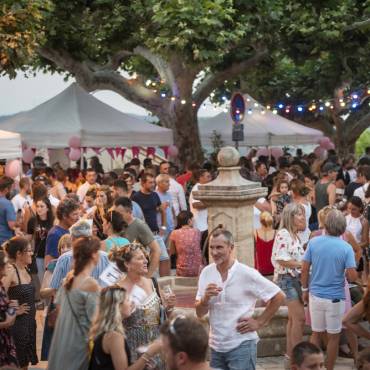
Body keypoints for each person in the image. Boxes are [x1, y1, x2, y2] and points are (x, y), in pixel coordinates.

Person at [195, 229, 285, 370]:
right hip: (216, 347)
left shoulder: (246, 273)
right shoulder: (207, 273)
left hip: (241, 345)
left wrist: (260, 322)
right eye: (212, 247)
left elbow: (278, 296)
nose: (214, 252)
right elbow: (199, 313)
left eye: (219, 247)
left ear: (231, 248)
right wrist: (205, 298)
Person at [301, 210, 358, 370]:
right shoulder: (346, 247)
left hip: (315, 295)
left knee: (316, 334)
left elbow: (305, 269)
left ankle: (310, 367)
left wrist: (305, 289)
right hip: (335, 298)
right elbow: (352, 277)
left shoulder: (313, 242)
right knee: (334, 337)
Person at [111, 243, 176, 369]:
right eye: (140, 258)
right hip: (133, 353)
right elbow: (111, 327)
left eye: (145, 257)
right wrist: (123, 315)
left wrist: (169, 307)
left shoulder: (153, 283)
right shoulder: (117, 290)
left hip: (158, 352)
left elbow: (164, 317)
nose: (146, 260)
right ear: (127, 264)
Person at [47, 236, 101, 370]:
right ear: (94, 255)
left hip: (62, 340)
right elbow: (96, 320)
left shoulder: (68, 279)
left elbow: (59, 311)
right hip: (78, 343)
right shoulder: (90, 284)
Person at [89, 285, 162, 370]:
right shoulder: (114, 336)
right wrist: (149, 353)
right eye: (127, 300)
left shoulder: (106, 331)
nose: (132, 303)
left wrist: (141, 363)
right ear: (118, 306)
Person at [271, 203, 307, 364]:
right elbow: (281, 258)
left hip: (292, 280)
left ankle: (290, 356)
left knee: (293, 319)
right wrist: (303, 265)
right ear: (290, 217)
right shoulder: (284, 234)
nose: (303, 217)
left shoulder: (294, 235)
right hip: (287, 280)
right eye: (299, 214)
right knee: (299, 319)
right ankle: (299, 359)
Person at [2, 237, 38, 369]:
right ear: (18, 254)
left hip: (29, 325)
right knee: (18, 364)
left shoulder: (25, 269)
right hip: (17, 327)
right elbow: (1, 295)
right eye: (28, 251)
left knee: (25, 364)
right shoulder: (11, 270)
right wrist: (14, 311)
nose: (31, 253)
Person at [113, 197, 160, 277]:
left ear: (130, 212)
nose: (117, 217)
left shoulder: (139, 225)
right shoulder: (118, 225)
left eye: (120, 214)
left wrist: (147, 276)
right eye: (115, 214)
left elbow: (156, 250)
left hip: (137, 275)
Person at [44, 197, 80, 267]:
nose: (78, 218)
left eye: (78, 214)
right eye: (74, 214)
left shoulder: (69, 231)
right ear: (64, 216)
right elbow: (49, 264)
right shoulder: (55, 234)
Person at [27, 197, 55, 285]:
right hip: (39, 256)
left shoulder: (54, 221)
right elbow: (29, 237)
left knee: (52, 282)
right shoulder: (32, 220)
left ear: (48, 208)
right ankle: (44, 299)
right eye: (37, 206)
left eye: (42, 206)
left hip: (52, 256)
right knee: (43, 283)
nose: (39, 208)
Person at [169, 211, 202, 277]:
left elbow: (172, 252)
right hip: (198, 270)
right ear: (189, 221)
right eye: (193, 219)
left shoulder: (174, 233)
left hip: (182, 271)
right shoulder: (197, 232)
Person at [0, 250, 18, 368]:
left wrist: (11, 307)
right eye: (6, 263)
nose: (9, 265)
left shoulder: (1, 285)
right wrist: (12, 312)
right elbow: (8, 320)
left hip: (5, 339)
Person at [189, 169, 212, 237]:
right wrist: (212, 203)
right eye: (208, 177)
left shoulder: (202, 187)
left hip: (204, 224)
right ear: (200, 178)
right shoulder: (197, 188)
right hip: (200, 225)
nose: (210, 179)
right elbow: (195, 204)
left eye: (210, 176)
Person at [290, 179, 312, 246]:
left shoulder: (299, 206)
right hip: (306, 234)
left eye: (290, 190)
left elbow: (302, 227)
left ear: (295, 191)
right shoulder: (307, 202)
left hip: (300, 238)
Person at [254, 211, 275, 276]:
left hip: (259, 270)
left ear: (260, 221)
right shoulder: (276, 233)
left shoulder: (255, 232)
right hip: (273, 269)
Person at [0, 176, 16, 245]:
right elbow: (11, 225)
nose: (13, 190)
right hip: (4, 240)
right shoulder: (7, 204)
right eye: (12, 188)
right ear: (6, 189)